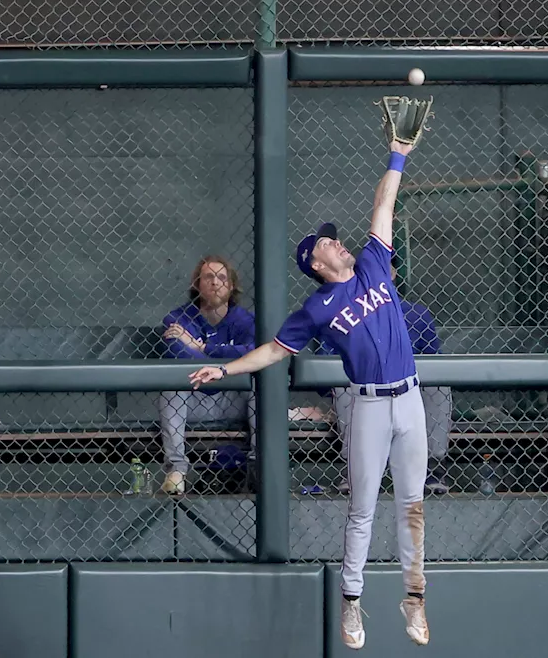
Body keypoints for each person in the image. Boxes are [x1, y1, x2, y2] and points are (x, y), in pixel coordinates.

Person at [187, 133, 429, 650]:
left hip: (410, 398)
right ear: (316, 264)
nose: (336, 242)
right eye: (326, 242)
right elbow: (275, 351)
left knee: (412, 503)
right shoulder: (316, 309)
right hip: (367, 404)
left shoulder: (371, 265)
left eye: (334, 238)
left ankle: (414, 598)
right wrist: (224, 371)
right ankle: (351, 602)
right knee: (362, 507)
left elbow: (384, 202)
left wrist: (398, 155)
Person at [329, 256, 452, 495]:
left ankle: (432, 468)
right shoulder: (344, 313)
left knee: (439, 387)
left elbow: (437, 364)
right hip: (364, 392)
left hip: (408, 392)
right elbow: (326, 366)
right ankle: (352, 469)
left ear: (393, 274)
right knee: (343, 385)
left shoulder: (416, 314)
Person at [157, 256, 256, 495]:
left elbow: (255, 352)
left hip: (233, 400)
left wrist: (201, 348)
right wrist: (231, 361)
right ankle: (177, 469)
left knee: (259, 384)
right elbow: (178, 357)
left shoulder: (245, 321)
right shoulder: (177, 318)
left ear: (231, 286)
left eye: (222, 277)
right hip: (192, 400)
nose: (215, 282)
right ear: (197, 284)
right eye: (208, 277)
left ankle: (257, 464)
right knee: (172, 386)